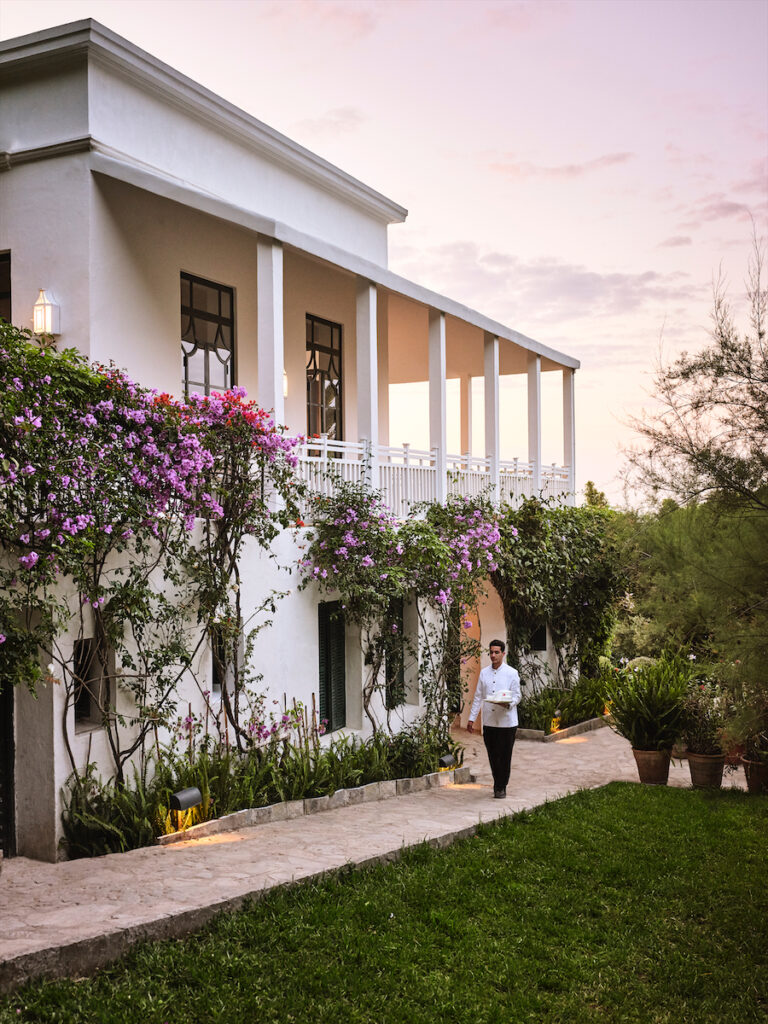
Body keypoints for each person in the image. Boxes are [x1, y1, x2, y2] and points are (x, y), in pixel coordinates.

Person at [467, 639, 521, 798]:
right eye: (491, 652)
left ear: (503, 654)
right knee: (493, 755)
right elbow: (478, 697)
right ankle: (498, 782)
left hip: (507, 722)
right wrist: (471, 718)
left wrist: (509, 704)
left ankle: (501, 786)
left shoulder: (512, 673)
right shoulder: (484, 673)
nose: (493, 655)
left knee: (504, 756)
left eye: (496, 652)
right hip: (489, 721)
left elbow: (517, 695)